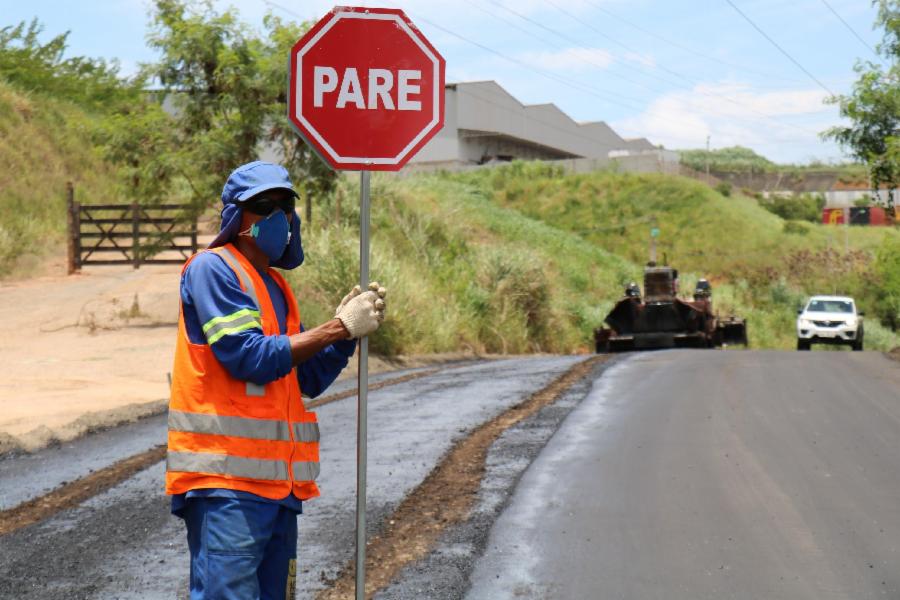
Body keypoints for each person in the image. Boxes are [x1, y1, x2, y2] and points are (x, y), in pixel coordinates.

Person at [165, 161, 386, 599]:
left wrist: (346, 337)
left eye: (284, 206)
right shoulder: (212, 269)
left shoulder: (277, 287)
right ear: (235, 218)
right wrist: (336, 328)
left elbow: (305, 379)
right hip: (226, 485)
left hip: (279, 490)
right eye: (262, 206)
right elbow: (246, 356)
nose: (276, 216)